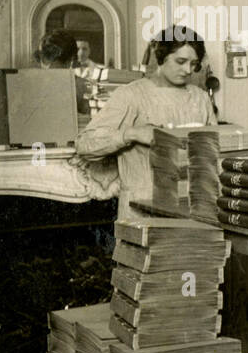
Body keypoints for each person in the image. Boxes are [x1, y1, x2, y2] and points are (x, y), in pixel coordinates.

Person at [74, 28, 214, 219]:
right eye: (180, 62)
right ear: (161, 56)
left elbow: (214, 155)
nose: (188, 70)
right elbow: (84, 144)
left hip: (192, 206)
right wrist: (131, 133)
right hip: (142, 207)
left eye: (194, 64)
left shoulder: (200, 98)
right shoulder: (130, 94)